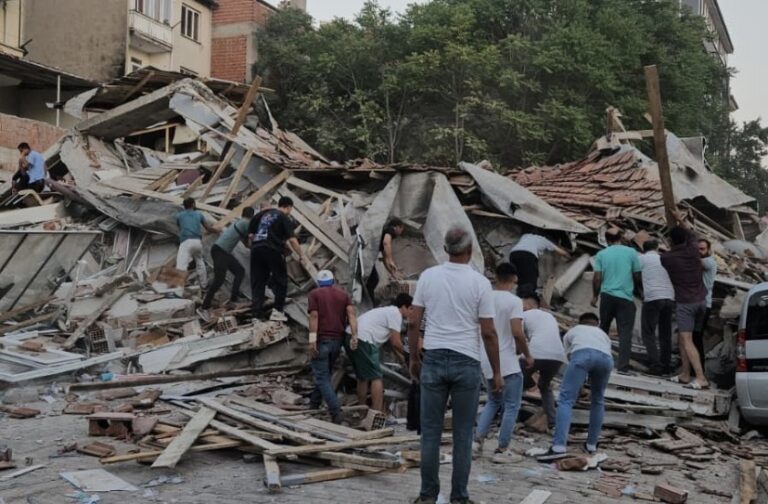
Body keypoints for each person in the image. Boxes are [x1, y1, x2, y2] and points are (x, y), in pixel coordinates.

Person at [408, 226, 502, 504]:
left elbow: (413, 321)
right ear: (470, 250)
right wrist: (496, 371)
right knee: (463, 434)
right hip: (466, 362)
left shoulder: (428, 277)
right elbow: (488, 332)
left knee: (430, 432)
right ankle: (459, 497)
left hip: (434, 358)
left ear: (446, 250)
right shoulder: (480, 283)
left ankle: (427, 496)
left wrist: (414, 357)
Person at [474, 263, 532, 464]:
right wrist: (528, 354)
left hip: (486, 358)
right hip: (507, 360)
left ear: (495, 276)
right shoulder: (514, 301)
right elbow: (517, 332)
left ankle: (477, 441)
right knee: (512, 405)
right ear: (514, 279)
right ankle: (502, 448)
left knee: (493, 401)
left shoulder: (484, 298)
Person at [543, 313, 613, 458]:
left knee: (566, 400)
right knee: (598, 400)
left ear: (579, 322)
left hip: (582, 355)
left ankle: (558, 447)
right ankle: (591, 445)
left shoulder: (573, 331)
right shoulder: (603, 335)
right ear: (597, 324)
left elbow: (570, 358)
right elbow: (602, 354)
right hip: (606, 360)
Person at [661, 211, 710, 389]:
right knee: (684, 338)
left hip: (685, 304)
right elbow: (692, 234)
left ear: (671, 242)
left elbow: (671, 249)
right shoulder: (692, 250)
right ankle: (685, 374)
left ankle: (701, 377)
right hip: (702, 301)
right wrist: (680, 219)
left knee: (687, 340)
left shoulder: (666, 258)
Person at [348, 293, 413, 413]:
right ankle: (377, 413)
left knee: (363, 378)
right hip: (363, 339)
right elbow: (396, 343)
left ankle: (362, 412)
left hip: (351, 336)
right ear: (404, 307)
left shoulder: (387, 312)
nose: (411, 314)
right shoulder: (395, 314)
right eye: (410, 309)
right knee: (376, 377)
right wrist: (410, 355)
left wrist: (403, 360)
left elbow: (392, 345)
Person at [308, 270, 358, 424]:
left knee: (322, 376)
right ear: (332, 281)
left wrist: (312, 340)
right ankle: (313, 405)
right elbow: (351, 315)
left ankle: (336, 412)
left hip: (322, 339)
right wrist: (355, 335)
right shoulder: (343, 295)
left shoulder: (314, 294)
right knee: (324, 374)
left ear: (319, 282)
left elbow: (314, 316)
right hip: (337, 340)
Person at [249, 196, 307, 322]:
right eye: (291, 209)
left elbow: (251, 236)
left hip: (256, 249)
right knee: (281, 280)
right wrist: (302, 255)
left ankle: (256, 315)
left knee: (258, 282)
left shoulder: (258, 216)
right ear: (289, 207)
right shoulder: (283, 216)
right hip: (272, 250)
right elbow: (292, 240)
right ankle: (278, 311)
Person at [592, 229, 641, 373]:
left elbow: (597, 278)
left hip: (607, 296)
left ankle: (598, 362)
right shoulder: (631, 253)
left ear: (606, 240)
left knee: (603, 329)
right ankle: (623, 367)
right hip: (625, 298)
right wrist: (640, 291)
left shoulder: (601, 254)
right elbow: (637, 276)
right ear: (621, 237)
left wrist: (595, 295)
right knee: (625, 333)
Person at [198, 207, 254, 321]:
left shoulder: (239, 222)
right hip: (220, 251)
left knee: (239, 271)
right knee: (219, 280)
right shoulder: (245, 223)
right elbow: (250, 239)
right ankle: (204, 307)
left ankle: (234, 298)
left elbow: (245, 240)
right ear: (251, 216)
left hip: (222, 251)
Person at [521, 292, 567, 430]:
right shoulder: (549, 316)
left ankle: (507, 417)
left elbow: (519, 338)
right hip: (558, 355)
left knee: (517, 378)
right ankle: (553, 422)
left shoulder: (524, 315)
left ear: (528, 305)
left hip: (537, 352)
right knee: (545, 386)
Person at [639, 239, 676, 376]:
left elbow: (635, 274)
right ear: (656, 248)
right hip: (669, 297)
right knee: (665, 334)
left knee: (648, 332)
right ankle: (666, 366)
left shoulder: (642, 258)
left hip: (653, 297)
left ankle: (655, 366)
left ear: (644, 249)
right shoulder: (665, 259)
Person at [508, 231, 570, 295]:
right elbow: (562, 252)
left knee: (520, 278)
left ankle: (519, 296)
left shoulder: (526, 235)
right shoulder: (544, 240)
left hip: (513, 254)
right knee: (530, 280)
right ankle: (527, 298)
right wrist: (569, 257)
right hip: (527, 255)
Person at [176, 197, 216, 289]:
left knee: (181, 265)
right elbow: (208, 228)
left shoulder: (179, 216)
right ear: (193, 204)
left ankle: (178, 289)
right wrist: (217, 230)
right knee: (200, 262)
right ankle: (204, 284)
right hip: (197, 242)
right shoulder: (199, 214)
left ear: (184, 206)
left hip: (186, 241)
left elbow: (179, 227)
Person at [366, 218, 405, 305]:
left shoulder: (385, 232)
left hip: (368, 256)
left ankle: (370, 300)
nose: (401, 233)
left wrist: (392, 273)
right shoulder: (390, 230)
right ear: (397, 227)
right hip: (366, 255)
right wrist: (391, 260)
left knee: (372, 280)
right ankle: (369, 302)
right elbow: (386, 243)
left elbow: (384, 258)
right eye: (402, 229)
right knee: (373, 280)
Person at [692, 238, 717, 372]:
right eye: (698, 249)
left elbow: (695, 262)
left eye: (702, 249)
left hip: (703, 305)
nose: (699, 252)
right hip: (694, 303)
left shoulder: (709, 262)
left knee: (696, 337)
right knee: (691, 337)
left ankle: (698, 370)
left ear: (708, 250)